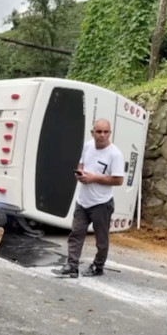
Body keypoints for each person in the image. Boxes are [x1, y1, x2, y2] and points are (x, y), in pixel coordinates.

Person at [54, 119, 124, 278]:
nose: (102, 135)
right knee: (76, 234)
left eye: (106, 132)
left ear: (110, 133)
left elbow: (118, 180)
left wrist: (94, 178)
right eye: (99, 132)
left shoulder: (115, 154)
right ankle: (72, 266)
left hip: (102, 203)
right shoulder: (88, 146)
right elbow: (81, 164)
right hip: (83, 201)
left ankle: (98, 266)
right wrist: (79, 173)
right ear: (92, 133)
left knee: (101, 239)